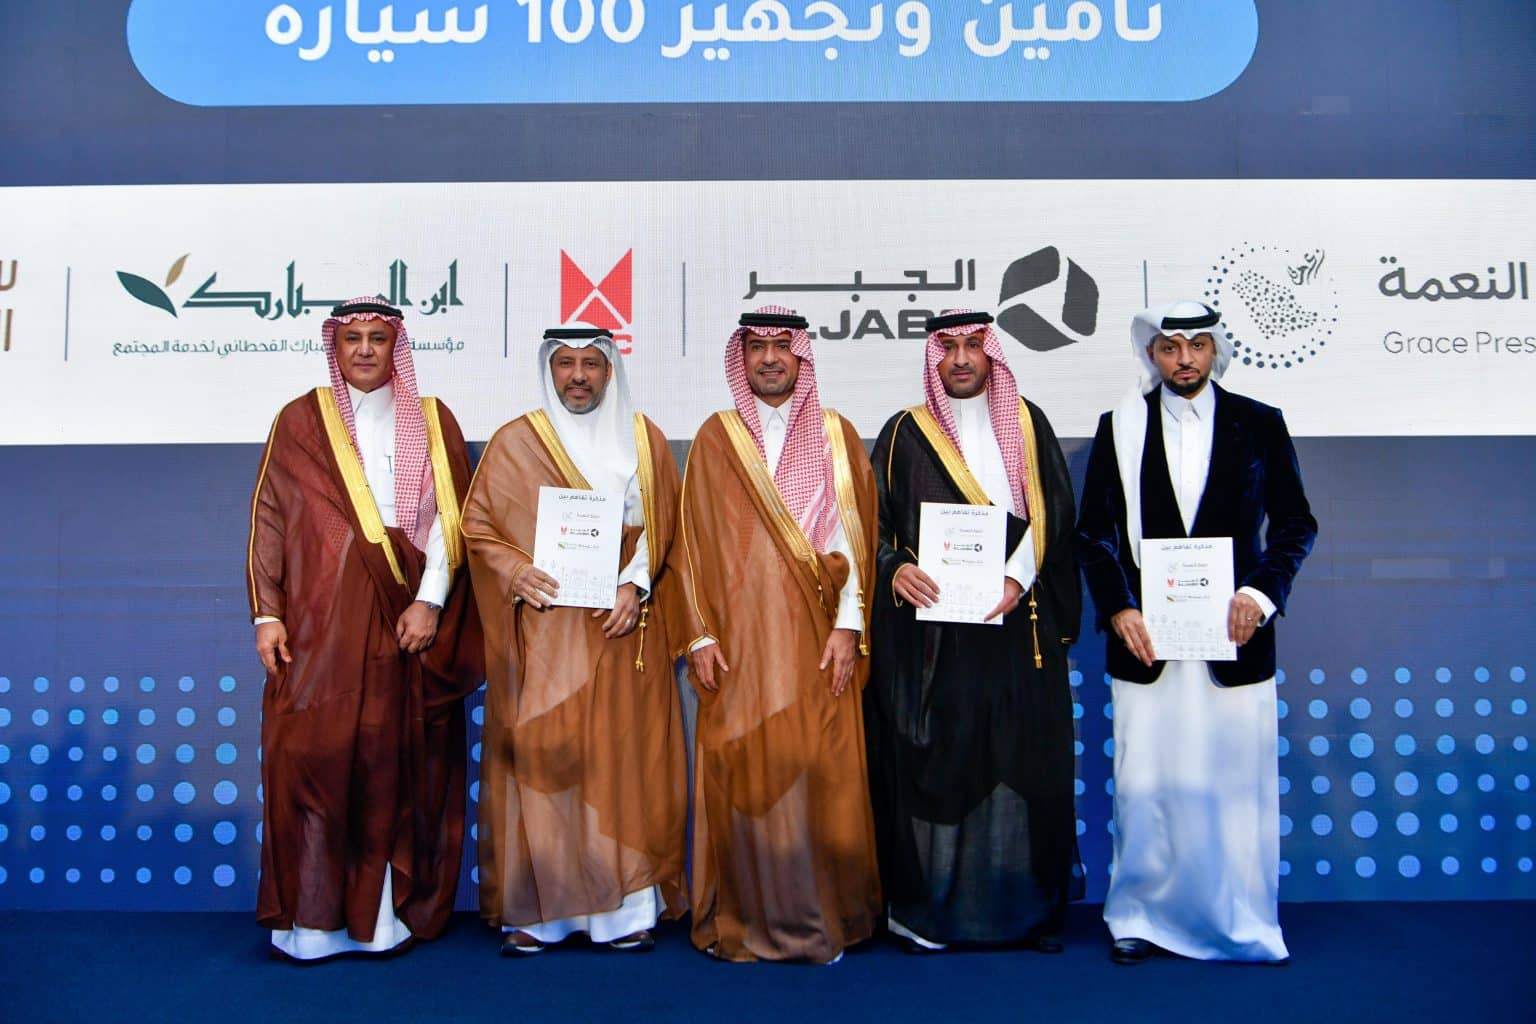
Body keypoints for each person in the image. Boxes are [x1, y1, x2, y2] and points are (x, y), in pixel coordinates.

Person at [1075, 301, 1318, 965]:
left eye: (1196, 345)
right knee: (1146, 783)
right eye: (1170, 347)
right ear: (1151, 354)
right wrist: (1119, 608)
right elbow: (1093, 533)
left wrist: (1259, 593)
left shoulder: (1259, 423)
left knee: (1232, 786)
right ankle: (1140, 916)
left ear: (1216, 351)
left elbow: (1296, 523)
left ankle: (1239, 918)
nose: (1184, 358)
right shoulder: (1121, 426)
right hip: (1146, 642)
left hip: (1234, 639)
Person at [247, 297, 482, 962]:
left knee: (385, 762)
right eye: (352, 339)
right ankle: (312, 924)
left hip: (401, 616)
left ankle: (378, 921)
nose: (365, 350)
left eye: (378, 338)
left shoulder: (432, 419)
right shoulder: (300, 420)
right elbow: (269, 518)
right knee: (314, 759)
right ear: (336, 346)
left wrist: (430, 602)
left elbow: (451, 524)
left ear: (395, 346)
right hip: (317, 620)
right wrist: (267, 613)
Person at [462, 325, 687, 956]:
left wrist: (635, 584)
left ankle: (625, 912)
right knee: (545, 762)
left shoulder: (643, 439)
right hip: (545, 634)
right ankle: (539, 915)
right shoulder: (515, 441)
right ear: (550, 369)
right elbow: (477, 527)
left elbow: (665, 527)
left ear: (610, 371)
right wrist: (515, 571)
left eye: (591, 363)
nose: (579, 376)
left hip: (619, 629)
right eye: (566, 363)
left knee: (620, 763)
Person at [668, 305, 881, 964]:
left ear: (801, 356)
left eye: (781, 347)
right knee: (745, 775)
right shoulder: (717, 437)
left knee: (815, 775)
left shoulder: (836, 435)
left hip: (816, 640)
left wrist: (849, 626)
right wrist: (698, 636)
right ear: (742, 357)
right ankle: (745, 917)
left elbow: (854, 540)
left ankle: (817, 918)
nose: (768, 358)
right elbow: (689, 546)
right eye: (756, 347)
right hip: (736, 647)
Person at [868, 309, 1083, 953]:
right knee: (942, 763)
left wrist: (1017, 579)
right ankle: (928, 913)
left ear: (991, 354)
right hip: (934, 639)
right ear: (933, 358)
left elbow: (1054, 514)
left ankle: (1025, 914)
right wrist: (895, 568)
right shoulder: (904, 432)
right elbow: (871, 523)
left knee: (1022, 763)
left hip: (1015, 627)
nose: (960, 359)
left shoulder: (1027, 423)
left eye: (972, 346)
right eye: (949, 348)